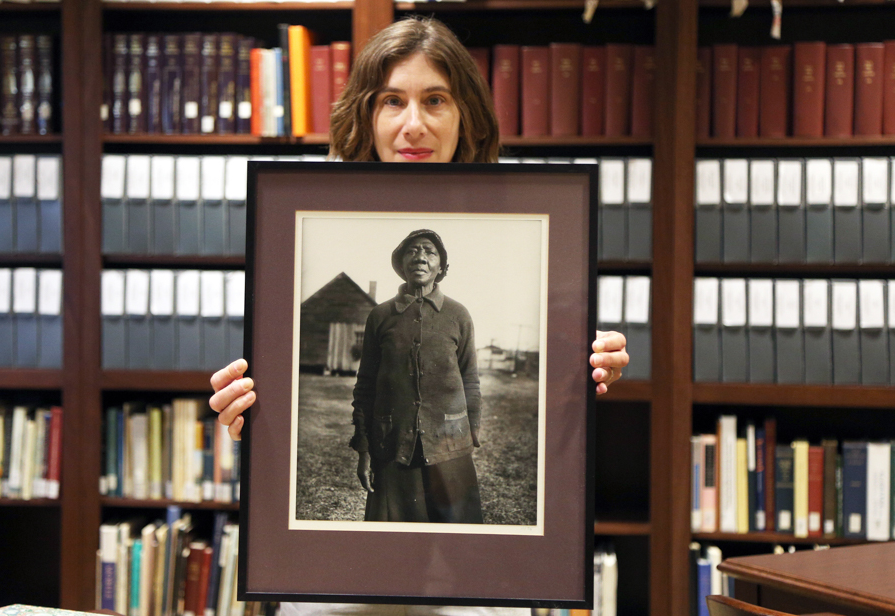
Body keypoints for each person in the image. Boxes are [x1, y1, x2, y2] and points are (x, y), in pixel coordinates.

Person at [207, 14, 630, 615]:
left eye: (436, 100)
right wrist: (252, 406)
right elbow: (358, 381)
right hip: (344, 597)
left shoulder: (531, 232)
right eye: (392, 101)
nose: (413, 124)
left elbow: (479, 378)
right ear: (367, 114)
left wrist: (587, 372)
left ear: (466, 116)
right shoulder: (299, 227)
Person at [352, 229, 483, 524]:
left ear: (441, 268)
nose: (420, 257)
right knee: (395, 547)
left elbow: (470, 380)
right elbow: (365, 388)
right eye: (412, 251)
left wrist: (470, 434)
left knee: (456, 545)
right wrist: (364, 448)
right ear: (401, 264)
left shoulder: (458, 315)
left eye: (429, 251)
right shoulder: (380, 316)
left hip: (450, 447)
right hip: (392, 446)